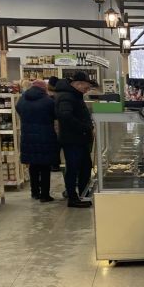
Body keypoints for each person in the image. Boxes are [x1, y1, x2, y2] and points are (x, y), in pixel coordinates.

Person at [53, 71, 97, 208]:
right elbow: (66, 117)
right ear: (78, 84)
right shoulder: (66, 96)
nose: (87, 90)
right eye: (86, 87)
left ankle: (83, 193)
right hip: (72, 140)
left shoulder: (73, 95)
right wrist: (85, 127)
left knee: (85, 167)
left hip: (79, 139)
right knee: (73, 168)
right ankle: (73, 198)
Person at [16, 79, 59, 202]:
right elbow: (55, 115)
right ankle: (45, 195)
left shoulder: (22, 100)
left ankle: (34, 192)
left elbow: (18, 109)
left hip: (28, 136)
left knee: (33, 165)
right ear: (44, 88)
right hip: (45, 136)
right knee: (45, 166)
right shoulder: (48, 101)